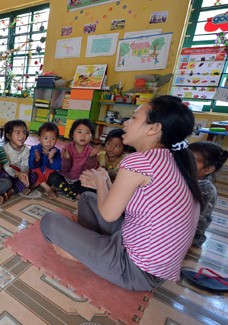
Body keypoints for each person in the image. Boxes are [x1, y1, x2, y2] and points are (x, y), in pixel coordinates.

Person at [40, 95, 203, 291]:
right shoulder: (177, 158)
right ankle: (88, 247)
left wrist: (100, 181)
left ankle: (83, 253)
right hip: (139, 249)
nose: (126, 123)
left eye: (134, 118)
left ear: (154, 128)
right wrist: (105, 181)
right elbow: (133, 204)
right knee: (87, 198)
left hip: (135, 269)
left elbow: (109, 214)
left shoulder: (139, 161)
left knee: (49, 221)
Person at [189, 141, 228, 248]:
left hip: (192, 235)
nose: (185, 162)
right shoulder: (190, 177)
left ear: (208, 169)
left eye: (192, 160)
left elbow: (194, 220)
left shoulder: (206, 189)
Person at [50, 119, 99, 200]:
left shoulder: (91, 151)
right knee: (53, 177)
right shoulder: (67, 148)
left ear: (91, 136)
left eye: (87, 133)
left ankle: (66, 189)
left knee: (92, 188)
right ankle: (74, 194)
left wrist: (91, 157)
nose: (83, 136)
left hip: (78, 180)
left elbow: (88, 171)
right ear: (72, 134)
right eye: (79, 132)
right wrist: (66, 159)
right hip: (65, 177)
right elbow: (64, 169)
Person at [28, 122, 61, 199]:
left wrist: (51, 159)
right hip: (37, 174)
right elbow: (31, 165)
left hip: (48, 175)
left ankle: (37, 185)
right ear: (39, 138)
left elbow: (58, 166)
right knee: (35, 171)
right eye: (46, 138)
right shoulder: (34, 149)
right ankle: (48, 189)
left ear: (56, 140)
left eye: (52, 139)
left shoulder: (56, 151)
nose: (49, 142)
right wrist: (36, 159)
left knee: (54, 174)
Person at [2, 119, 35, 195]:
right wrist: (17, 174)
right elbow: (6, 167)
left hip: (20, 174)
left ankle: (12, 191)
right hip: (8, 173)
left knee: (33, 176)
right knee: (3, 177)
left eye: (24, 132)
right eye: (18, 133)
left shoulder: (26, 150)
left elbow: (25, 165)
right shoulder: (4, 149)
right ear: (9, 135)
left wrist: (24, 175)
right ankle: (20, 187)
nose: (22, 136)